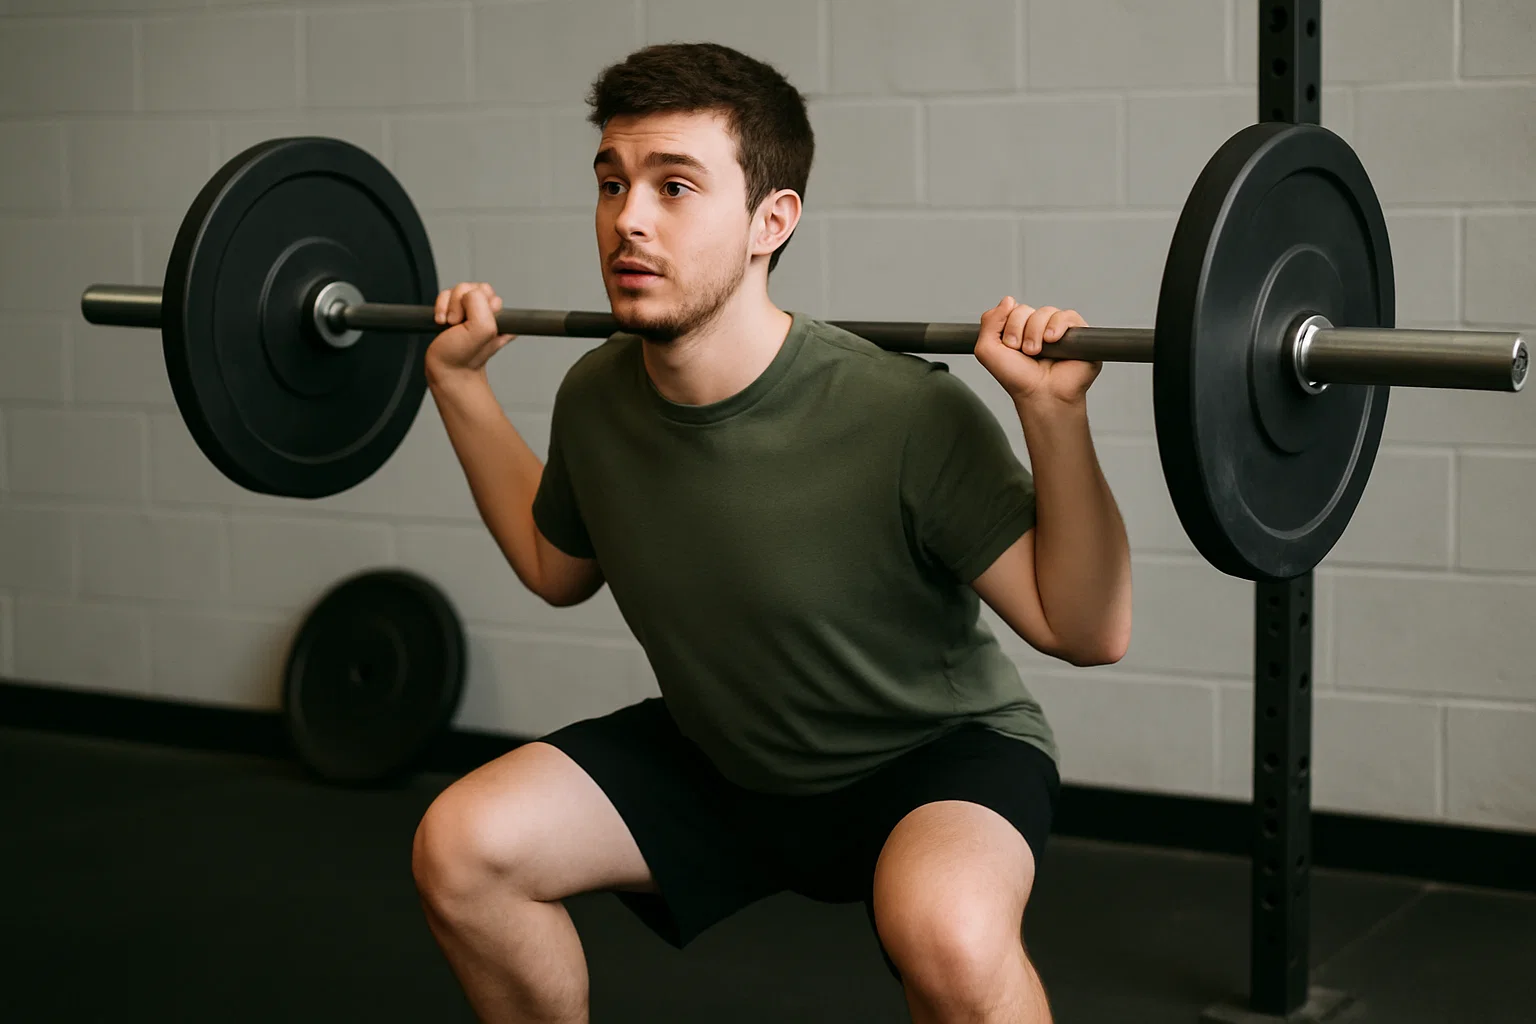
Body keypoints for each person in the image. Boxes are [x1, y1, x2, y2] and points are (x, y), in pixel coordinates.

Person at [411, 41, 1131, 1024]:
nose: (628, 218)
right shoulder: (596, 401)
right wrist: (457, 386)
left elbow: (1085, 630)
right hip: (727, 758)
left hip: (928, 758)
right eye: (612, 182)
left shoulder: (904, 412)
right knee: (462, 846)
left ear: (770, 220)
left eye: (674, 187)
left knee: (953, 937)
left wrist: (1055, 418)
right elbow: (555, 567)